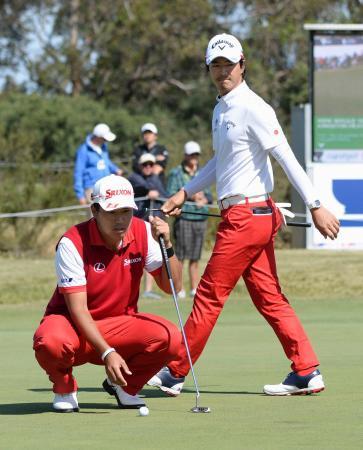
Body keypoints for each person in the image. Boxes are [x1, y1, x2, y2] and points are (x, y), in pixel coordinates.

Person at [148, 33, 340, 397]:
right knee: (269, 297)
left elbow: (285, 157)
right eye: (216, 65)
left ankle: (174, 372)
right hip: (246, 215)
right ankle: (306, 370)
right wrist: (185, 191)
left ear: (243, 64)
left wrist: (315, 204)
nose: (223, 72)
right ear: (209, 69)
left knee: (207, 295)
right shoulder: (221, 109)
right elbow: (222, 162)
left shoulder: (254, 106)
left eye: (229, 64)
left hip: (247, 218)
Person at [33, 174, 182, 412]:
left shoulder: (144, 232)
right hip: (73, 326)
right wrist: (107, 352)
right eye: (112, 212)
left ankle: (126, 387)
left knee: (171, 337)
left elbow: (172, 286)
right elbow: (78, 309)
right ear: (94, 210)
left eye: (126, 211)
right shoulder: (72, 242)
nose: (120, 220)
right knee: (50, 341)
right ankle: (65, 387)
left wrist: (168, 245)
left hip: (119, 324)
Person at [167, 141, 213, 298]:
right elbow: (171, 194)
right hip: (184, 217)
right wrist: (190, 195)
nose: (195, 158)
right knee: (180, 255)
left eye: (196, 155)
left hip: (200, 218)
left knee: (195, 256)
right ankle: (179, 289)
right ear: (186, 155)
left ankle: (194, 288)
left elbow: (209, 195)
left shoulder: (203, 172)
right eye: (192, 155)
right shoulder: (176, 173)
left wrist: (204, 200)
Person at [129, 153, 169, 299]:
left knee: (152, 257)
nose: (148, 167)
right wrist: (150, 190)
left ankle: (148, 289)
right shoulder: (134, 177)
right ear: (140, 166)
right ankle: (135, 289)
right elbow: (142, 187)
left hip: (154, 225)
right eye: (145, 165)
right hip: (138, 224)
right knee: (136, 258)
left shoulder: (155, 178)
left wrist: (155, 190)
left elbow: (164, 194)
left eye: (151, 164)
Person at [74, 123, 123, 205]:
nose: (106, 141)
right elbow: (78, 173)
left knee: (109, 214)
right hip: (92, 189)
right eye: (104, 139)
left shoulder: (103, 147)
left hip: (107, 186)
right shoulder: (83, 150)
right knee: (97, 215)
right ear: (98, 137)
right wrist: (80, 195)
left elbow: (106, 161)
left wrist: (115, 169)